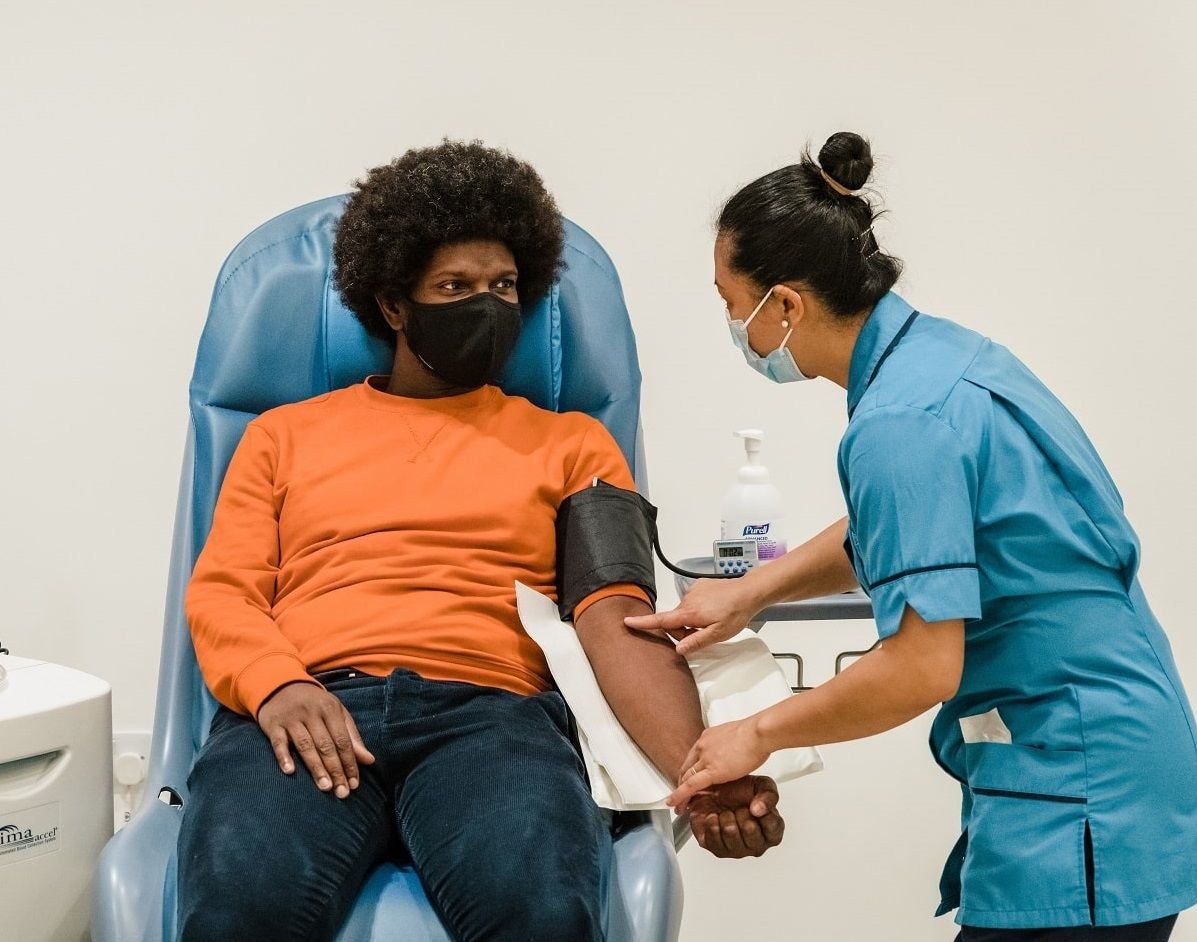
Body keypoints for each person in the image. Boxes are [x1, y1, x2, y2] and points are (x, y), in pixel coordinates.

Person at [176, 140, 784, 942]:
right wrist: (277, 686)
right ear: (394, 305)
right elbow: (224, 592)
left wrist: (701, 774)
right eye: (454, 287)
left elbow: (615, 616)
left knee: (540, 916)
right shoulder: (282, 437)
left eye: (503, 286)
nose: (487, 305)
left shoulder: (573, 446)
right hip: (307, 702)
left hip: (491, 721)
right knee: (238, 914)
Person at [627, 131, 1197, 941]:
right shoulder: (942, 360)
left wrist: (752, 733)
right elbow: (905, 532)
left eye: (731, 303)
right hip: (1119, 753)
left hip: (1078, 788)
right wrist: (750, 593)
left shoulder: (897, 424)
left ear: (784, 304)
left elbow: (920, 666)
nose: (732, 325)